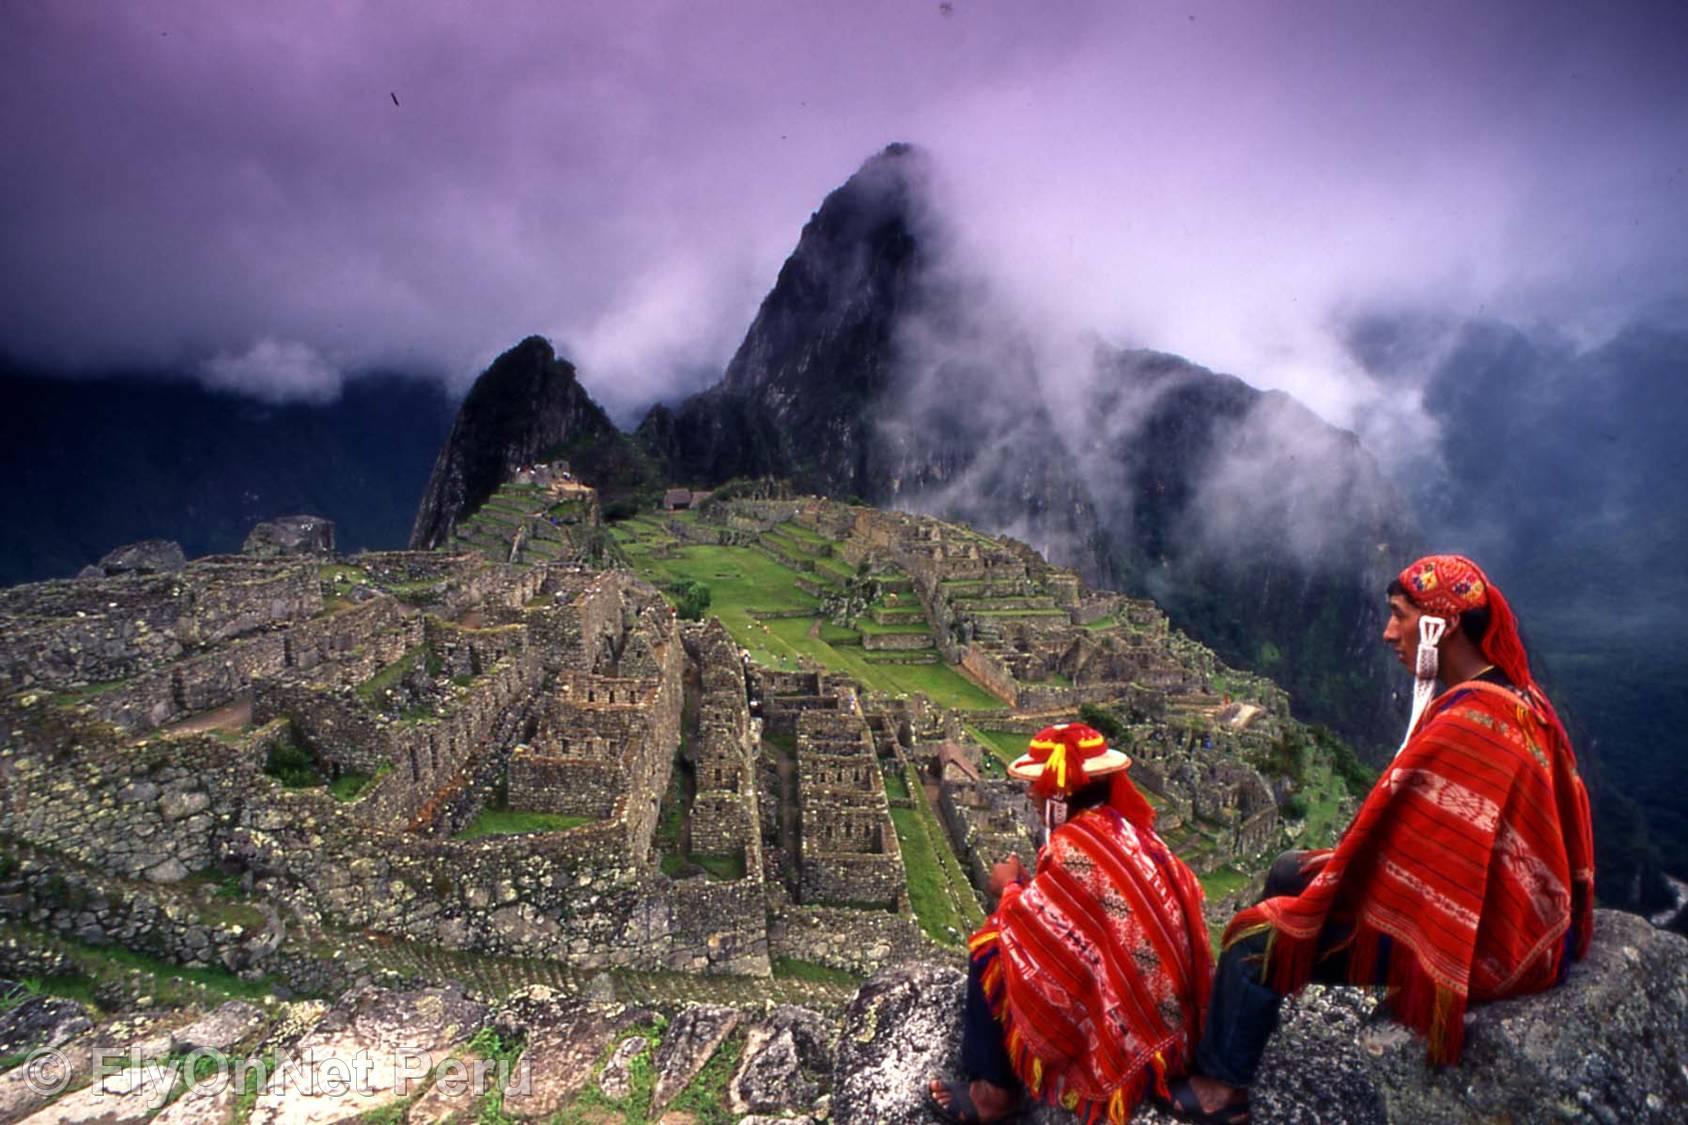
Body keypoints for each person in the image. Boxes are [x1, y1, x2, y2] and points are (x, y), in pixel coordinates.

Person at [1162, 555, 1595, 1124]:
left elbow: (1426, 859)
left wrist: (1338, 890)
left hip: (1484, 940)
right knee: (1291, 869)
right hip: (1516, 914)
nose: (1389, 633)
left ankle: (1222, 1091)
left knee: (1251, 943)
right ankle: (1251, 1019)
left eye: (1399, 616)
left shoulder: (1468, 726)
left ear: (1443, 626)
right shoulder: (1514, 697)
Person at [928, 722, 1213, 1124]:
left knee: (994, 942)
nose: (1031, 794)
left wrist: (1008, 888)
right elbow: (1082, 916)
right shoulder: (1130, 831)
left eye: (1036, 786)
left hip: (1135, 1040)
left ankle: (993, 1093)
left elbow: (1029, 927)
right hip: (1175, 1031)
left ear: (1059, 794)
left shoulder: (1073, 847)